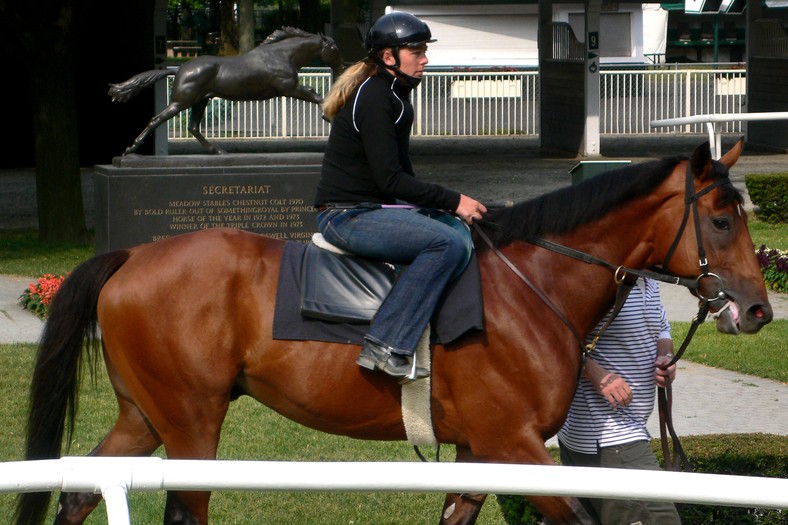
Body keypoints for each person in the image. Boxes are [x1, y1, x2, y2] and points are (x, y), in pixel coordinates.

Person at [313, 12, 487, 381]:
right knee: (445, 244)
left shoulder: (392, 94)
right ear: (389, 57)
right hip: (347, 217)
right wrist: (455, 201)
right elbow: (392, 181)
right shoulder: (376, 97)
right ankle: (386, 345)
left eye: (424, 50)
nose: (425, 58)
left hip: (369, 209)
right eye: (417, 50)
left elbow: (401, 178)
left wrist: (451, 209)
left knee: (458, 232)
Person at [557, 277, 682, 525]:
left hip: (627, 432)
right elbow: (555, 333)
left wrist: (665, 356)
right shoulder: (601, 278)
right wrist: (596, 374)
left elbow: (662, 328)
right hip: (607, 438)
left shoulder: (650, 279)